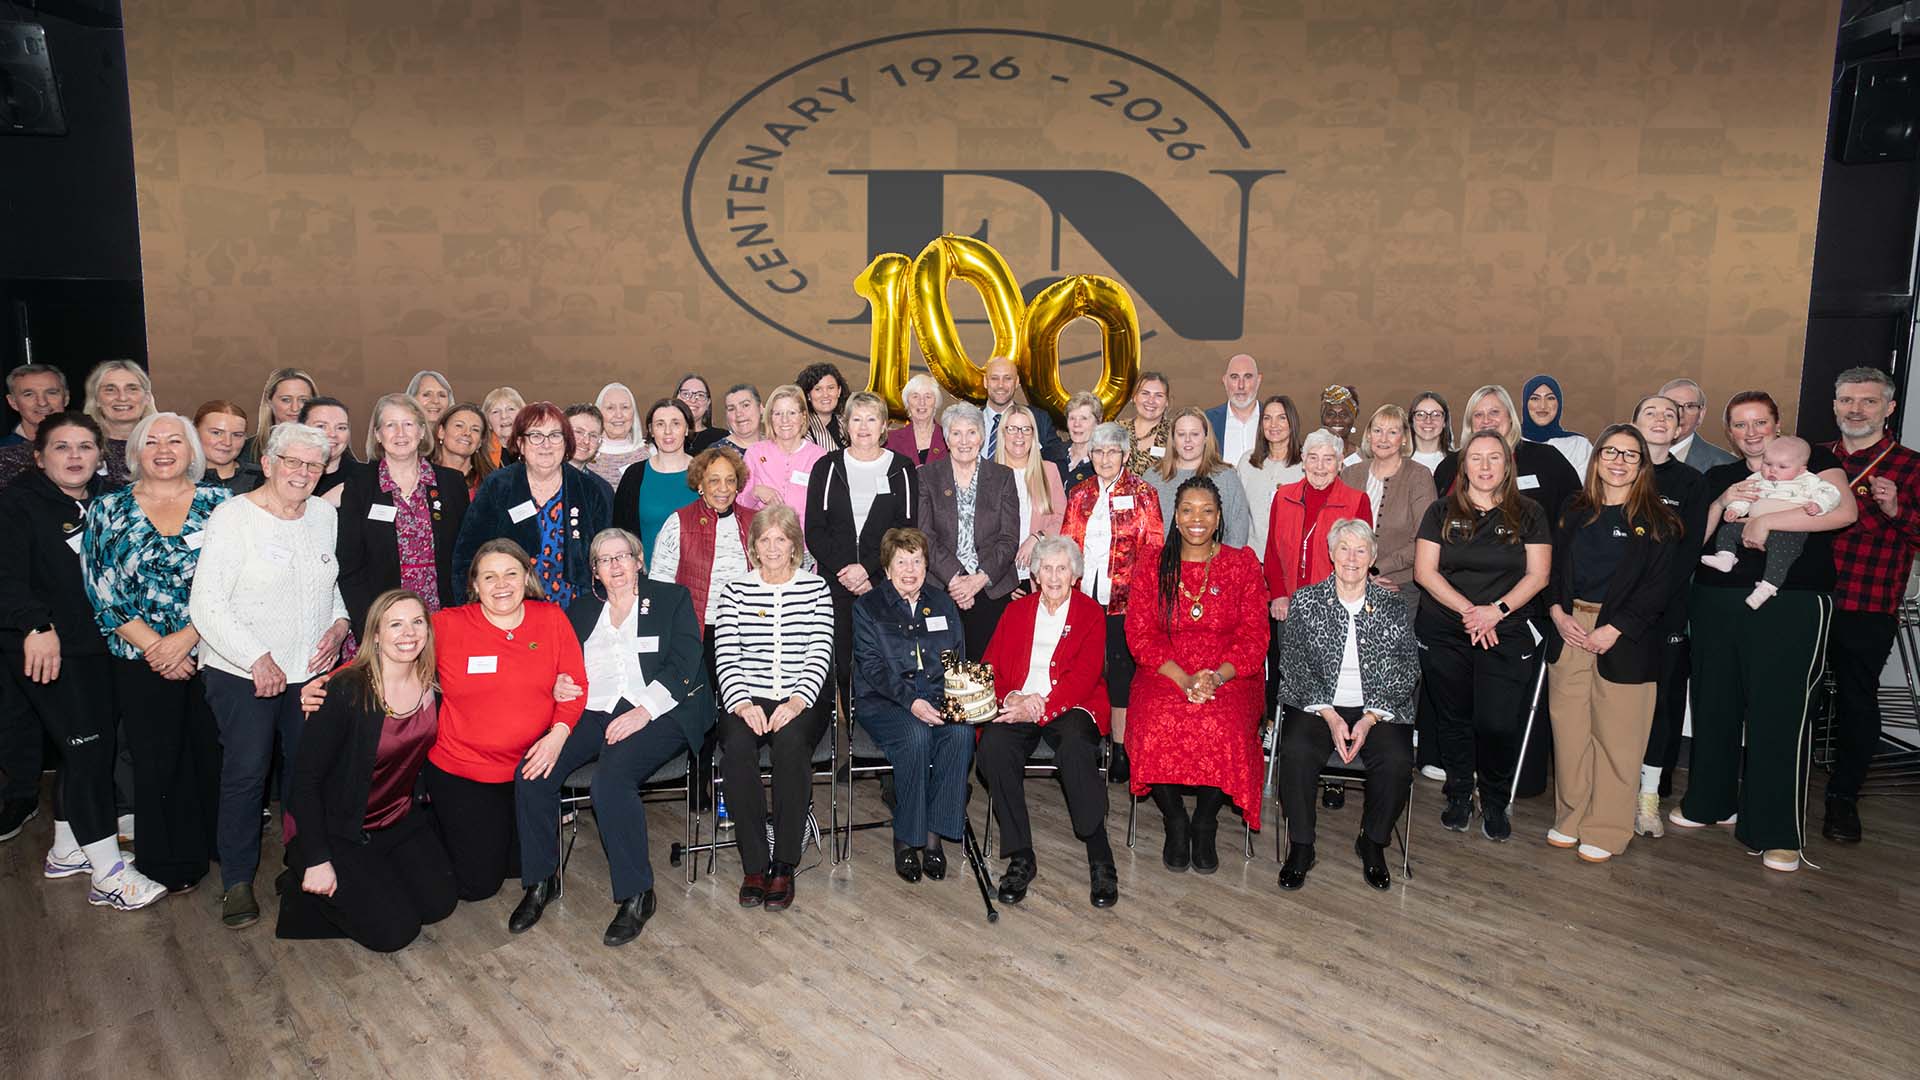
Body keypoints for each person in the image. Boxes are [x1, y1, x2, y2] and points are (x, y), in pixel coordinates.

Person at [1672, 391, 1856, 873]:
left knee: (1779, 716)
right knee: (1715, 706)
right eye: (1740, 425)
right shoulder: (1721, 476)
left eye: (1760, 423)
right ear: (1729, 433)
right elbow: (1696, 537)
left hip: (1790, 604)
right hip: (1716, 602)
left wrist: (1769, 518)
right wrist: (1723, 500)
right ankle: (1709, 804)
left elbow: (1843, 512)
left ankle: (1777, 832)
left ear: (1777, 425)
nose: (1751, 432)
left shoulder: (1813, 460)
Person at [0, 412, 166, 909]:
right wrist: (35, 624)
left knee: (87, 747)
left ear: (100, 455)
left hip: (97, 648)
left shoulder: (104, 502)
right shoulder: (17, 505)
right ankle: (108, 873)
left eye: (85, 447)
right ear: (39, 455)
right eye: (62, 447)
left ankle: (68, 849)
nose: (74, 457)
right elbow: (6, 577)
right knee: (88, 751)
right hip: (49, 649)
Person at [510, 529, 707, 946]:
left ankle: (638, 894)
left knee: (610, 780)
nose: (615, 566)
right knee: (533, 772)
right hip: (594, 709)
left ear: (639, 561)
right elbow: (559, 664)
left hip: (661, 709)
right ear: (595, 571)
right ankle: (541, 881)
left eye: (622, 557)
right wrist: (559, 683)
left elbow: (684, 662)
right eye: (604, 559)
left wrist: (642, 712)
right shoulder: (580, 611)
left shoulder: (671, 599)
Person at [190, 421, 351, 929]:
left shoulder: (324, 514)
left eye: (313, 465)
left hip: (308, 671)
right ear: (271, 462)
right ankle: (238, 880)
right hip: (243, 673)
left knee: (310, 771)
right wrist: (257, 658)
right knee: (248, 773)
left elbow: (329, 584)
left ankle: (305, 861)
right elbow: (206, 605)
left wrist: (341, 621)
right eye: (293, 462)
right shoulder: (234, 517)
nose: (303, 473)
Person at [84, 412, 228, 894]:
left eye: (175, 440)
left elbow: (237, 582)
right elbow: (102, 590)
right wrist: (157, 648)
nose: (164, 449)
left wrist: (186, 638)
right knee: (156, 758)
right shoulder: (107, 509)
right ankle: (169, 860)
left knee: (210, 753)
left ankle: (217, 843)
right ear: (135, 453)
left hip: (213, 652)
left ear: (193, 452)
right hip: (139, 658)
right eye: (152, 441)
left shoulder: (222, 505)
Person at [276, 589, 458, 952]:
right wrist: (317, 858)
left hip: (395, 819)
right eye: (395, 624)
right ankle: (302, 885)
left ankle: (370, 881)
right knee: (395, 933)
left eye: (417, 622)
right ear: (375, 634)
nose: (408, 633)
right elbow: (305, 782)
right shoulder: (346, 690)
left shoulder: (431, 682)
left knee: (439, 904)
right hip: (337, 828)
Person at [1544, 425, 1681, 864]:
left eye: (1630, 455)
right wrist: (1557, 614)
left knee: (1618, 741)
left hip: (1625, 638)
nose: (1618, 462)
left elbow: (1658, 591)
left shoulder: (1659, 522)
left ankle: (1607, 827)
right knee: (1569, 736)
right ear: (1597, 457)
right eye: (1610, 452)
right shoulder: (1572, 509)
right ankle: (1571, 817)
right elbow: (1552, 571)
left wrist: (1615, 628)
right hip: (1570, 631)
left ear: (1643, 465)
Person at [1414, 429, 1553, 842]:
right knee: (1452, 719)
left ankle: (1494, 798)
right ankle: (1458, 794)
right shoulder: (1440, 511)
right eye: (1476, 458)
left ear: (1507, 465)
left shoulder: (1529, 512)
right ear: (1464, 466)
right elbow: (1425, 572)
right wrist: (1471, 613)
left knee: (1497, 723)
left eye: (1495, 458)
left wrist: (1496, 612)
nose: (1485, 466)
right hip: (1447, 629)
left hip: (1505, 632)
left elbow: (1539, 575)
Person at [1125, 477, 1269, 873]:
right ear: (1175, 515)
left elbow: (1255, 637)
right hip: (1165, 670)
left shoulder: (1242, 564)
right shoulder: (1153, 562)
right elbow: (1139, 634)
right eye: (1187, 509)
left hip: (1230, 672)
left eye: (1207, 510)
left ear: (1220, 516)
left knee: (1224, 726)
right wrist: (1184, 679)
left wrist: (1215, 679)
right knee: (1155, 722)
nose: (1196, 519)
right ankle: (1175, 819)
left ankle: (1205, 821)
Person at [1274, 520, 1419, 892]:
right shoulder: (1306, 601)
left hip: (1378, 708)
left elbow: (1407, 668)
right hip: (1318, 705)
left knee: (1397, 761)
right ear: (1330, 554)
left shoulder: (1391, 605)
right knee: (1295, 750)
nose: (1351, 558)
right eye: (1344, 549)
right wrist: (1330, 713)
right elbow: (1292, 665)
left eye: (1360, 550)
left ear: (1372, 558)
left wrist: (1370, 718)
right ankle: (1302, 847)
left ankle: (1372, 842)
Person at [978, 535, 1119, 908]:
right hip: (1022, 703)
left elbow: (1085, 677)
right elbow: (990, 667)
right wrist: (1012, 699)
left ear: (1074, 574)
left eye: (1062, 568)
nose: (1054, 575)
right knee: (993, 746)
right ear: (1035, 574)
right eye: (1046, 568)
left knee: (1075, 745)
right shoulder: (1016, 612)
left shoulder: (1090, 613)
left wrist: (1041, 706)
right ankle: (1021, 854)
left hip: (1073, 705)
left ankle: (1099, 854)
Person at [713, 505, 834, 912]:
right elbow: (726, 653)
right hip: (747, 695)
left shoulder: (816, 590)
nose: (773, 547)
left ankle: (783, 861)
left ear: (794, 545)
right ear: (754, 546)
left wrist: (798, 700)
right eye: (764, 540)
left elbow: (820, 652)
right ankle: (754, 864)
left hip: (803, 696)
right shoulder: (735, 591)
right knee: (737, 751)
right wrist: (741, 702)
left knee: (789, 748)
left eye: (781, 539)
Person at [1823, 367, 1920, 844]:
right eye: (1846, 400)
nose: (1855, 409)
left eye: (1867, 401)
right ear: (1835, 404)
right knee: (1793, 695)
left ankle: (1843, 799)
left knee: (1856, 701)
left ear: (1889, 408)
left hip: (1868, 601)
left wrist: (1899, 511)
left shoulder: (1912, 466)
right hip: (1808, 599)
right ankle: (1781, 785)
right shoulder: (1814, 458)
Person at [850, 527, 970, 883]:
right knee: (916, 737)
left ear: (926, 565)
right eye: (901, 561)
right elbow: (871, 668)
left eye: (916, 561)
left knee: (961, 733)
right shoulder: (868, 607)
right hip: (884, 701)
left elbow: (957, 657)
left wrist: (954, 701)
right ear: (887, 569)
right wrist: (913, 702)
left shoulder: (942, 603)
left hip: (936, 696)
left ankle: (934, 836)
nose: (909, 568)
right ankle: (906, 838)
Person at [1061, 421, 1164, 783]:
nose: (1105, 458)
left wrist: (1147, 600)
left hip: (1126, 601)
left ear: (1124, 454)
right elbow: (1067, 544)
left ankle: (1121, 749)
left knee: (1121, 675)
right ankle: (1087, 743)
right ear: (1090, 455)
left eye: (1112, 451)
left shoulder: (1144, 493)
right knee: (1084, 670)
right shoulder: (1079, 493)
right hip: (1083, 598)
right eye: (1099, 451)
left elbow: (1154, 550)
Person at [805, 392, 919, 704]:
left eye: (871, 419)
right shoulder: (826, 467)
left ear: (884, 425)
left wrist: (868, 570)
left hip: (884, 582)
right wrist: (848, 571)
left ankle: (884, 724)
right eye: (856, 418)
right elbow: (814, 530)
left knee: (886, 659)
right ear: (845, 424)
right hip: (836, 581)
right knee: (844, 661)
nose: (864, 426)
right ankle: (852, 726)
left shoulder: (902, 469)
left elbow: (907, 532)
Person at [1628, 394, 1708, 835]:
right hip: (1612, 615)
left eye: (1669, 415)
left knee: (1661, 708)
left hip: (1665, 615)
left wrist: (1645, 606)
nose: (1660, 419)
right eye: (1650, 412)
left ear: (1680, 428)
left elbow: (1687, 553)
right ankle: (1613, 789)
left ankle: (1648, 797)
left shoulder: (1692, 483)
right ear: (1634, 423)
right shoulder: (1616, 471)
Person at [336, 394, 470, 638]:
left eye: (408, 424)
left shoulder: (451, 484)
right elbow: (349, 564)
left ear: (421, 432)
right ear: (377, 434)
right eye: (390, 425)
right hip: (382, 617)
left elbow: (464, 557)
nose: (400, 433)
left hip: (442, 616)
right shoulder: (361, 484)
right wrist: (369, 623)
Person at [454, 402, 612, 609]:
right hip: (508, 604)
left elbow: (604, 557)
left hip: (573, 607)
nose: (546, 445)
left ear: (566, 442)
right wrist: (468, 608)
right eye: (536, 436)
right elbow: (467, 554)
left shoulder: (590, 490)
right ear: (520, 443)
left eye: (555, 435)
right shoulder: (498, 486)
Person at [917, 403, 1020, 660]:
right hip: (942, 586)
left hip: (991, 587)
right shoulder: (927, 476)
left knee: (988, 668)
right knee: (942, 668)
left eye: (971, 432)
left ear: (983, 436)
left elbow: (1009, 539)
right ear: (946, 438)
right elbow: (924, 534)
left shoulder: (1002, 477)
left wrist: (977, 579)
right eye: (956, 433)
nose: (964, 441)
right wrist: (956, 579)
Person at [1697, 436, 1843, 608]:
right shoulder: (1758, 478)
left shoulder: (1808, 480)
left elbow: (1831, 493)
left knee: (1781, 556)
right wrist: (1735, 509)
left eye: (1782, 467)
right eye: (1767, 464)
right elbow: (1746, 495)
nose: (1772, 471)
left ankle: (1768, 586)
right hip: (1749, 525)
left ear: (1801, 469)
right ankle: (1726, 557)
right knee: (1727, 531)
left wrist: (1819, 505)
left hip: (1788, 530)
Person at [1266, 429, 1373, 622]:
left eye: (1328, 459)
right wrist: (1278, 594)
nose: (1320, 467)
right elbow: (1272, 552)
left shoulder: (1357, 501)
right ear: (1303, 461)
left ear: (1340, 463)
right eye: (1313, 458)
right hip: (1289, 605)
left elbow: (1359, 560)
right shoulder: (1283, 497)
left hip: (1337, 608)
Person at [1434, 385, 1581, 524]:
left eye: (1494, 412)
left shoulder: (1547, 459)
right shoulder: (1450, 466)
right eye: (1478, 414)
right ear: (1470, 423)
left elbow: (1576, 511)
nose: (1486, 420)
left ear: (1510, 417)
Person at [1340, 405, 1438, 606]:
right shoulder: (1350, 474)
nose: (1383, 439)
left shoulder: (1419, 476)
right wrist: (1359, 573)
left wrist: (1374, 571)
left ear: (1403, 438)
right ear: (1368, 435)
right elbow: (1338, 532)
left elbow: (1424, 540)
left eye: (1392, 432)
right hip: (1350, 585)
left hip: (1399, 587)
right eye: (1377, 431)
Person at [1147, 406, 1253, 550]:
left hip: (1215, 567)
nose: (1188, 440)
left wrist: (1224, 566)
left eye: (1195, 434)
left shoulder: (1226, 476)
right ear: (1173, 439)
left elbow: (1238, 531)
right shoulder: (1152, 477)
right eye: (1181, 434)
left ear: (1205, 438)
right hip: (1163, 566)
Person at [612, 398, 698, 558]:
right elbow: (619, 533)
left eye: (676, 423)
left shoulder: (706, 473)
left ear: (687, 429)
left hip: (698, 577)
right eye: (660, 424)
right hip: (648, 578)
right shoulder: (634, 476)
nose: (668, 431)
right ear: (651, 430)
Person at [996, 404, 1069, 591]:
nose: (1019, 435)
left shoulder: (1049, 470)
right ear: (1002, 434)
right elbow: (982, 535)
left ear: (1034, 435)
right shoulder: (989, 475)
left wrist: (1038, 537)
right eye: (1012, 429)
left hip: (1039, 578)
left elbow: (1063, 519)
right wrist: (1005, 582)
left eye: (1026, 429)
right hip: (999, 580)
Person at [739, 384, 827, 529]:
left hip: (806, 546)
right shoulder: (754, 453)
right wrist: (755, 492)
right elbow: (740, 505)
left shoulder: (819, 457)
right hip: (764, 543)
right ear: (770, 418)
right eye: (778, 414)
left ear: (803, 417)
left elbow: (827, 509)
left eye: (792, 413)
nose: (784, 420)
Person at [1237, 394, 1304, 564]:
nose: (1273, 425)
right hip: (1252, 559)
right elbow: (1238, 512)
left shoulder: (1306, 465)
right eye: (1267, 418)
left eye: (1281, 418)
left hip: (1290, 561)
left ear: (1292, 423)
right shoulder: (1247, 462)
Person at [83, 359, 154, 487]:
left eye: (132, 389)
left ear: (147, 398)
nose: (122, 397)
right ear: (97, 399)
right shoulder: (82, 446)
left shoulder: (167, 444)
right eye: (110, 390)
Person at [980, 356, 1059, 460]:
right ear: (985, 382)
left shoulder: (1039, 420)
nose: (1000, 385)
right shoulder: (968, 422)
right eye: (994, 378)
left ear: (1017, 382)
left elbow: (1057, 462)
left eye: (1007, 378)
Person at [1659, 377, 1738, 473]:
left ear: (1701, 415)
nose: (1680, 414)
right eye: (1672, 405)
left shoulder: (1726, 464)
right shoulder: (1638, 454)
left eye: (1690, 406)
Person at [1522, 374, 1594, 477]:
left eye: (1550, 398)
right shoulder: (1511, 441)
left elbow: (1588, 487)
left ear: (1559, 403)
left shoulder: (1578, 445)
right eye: (1535, 398)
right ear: (1525, 404)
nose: (1543, 406)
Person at [247, 367, 315, 466]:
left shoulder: (331, 447)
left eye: (303, 400)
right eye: (286, 400)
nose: (295, 408)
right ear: (269, 401)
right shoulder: (246, 451)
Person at [1205, 353, 1263, 465]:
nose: (1241, 386)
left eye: (1248, 377)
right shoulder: (1207, 421)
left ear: (1259, 380)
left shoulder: (1275, 421)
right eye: (1234, 377)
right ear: (1225, 381)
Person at [194, 400, 262, 494]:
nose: (227, 442)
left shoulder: (263, 478)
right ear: (194, 432)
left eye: (237, 435)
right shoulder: (180, 478)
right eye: (216, 433)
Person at [297, 396, 357, 503]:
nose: (332, 434)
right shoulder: (285, 474)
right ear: (301, 429)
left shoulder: (364, 478)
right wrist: (325, 502)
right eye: (321, 426)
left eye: (341, 428)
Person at [589, 382, 648, 486]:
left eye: (625, 407)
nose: (619, 415)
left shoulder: (650, 453)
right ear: (598, 413)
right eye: (610, 408)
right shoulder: (586, 452)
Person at [884, 373, 948, 466]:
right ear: (907, 403)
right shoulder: (890, 441)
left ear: (936, 402)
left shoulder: (949, 438)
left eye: (928, 396)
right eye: (915, 396)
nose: (922, 402)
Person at [3, 363, 69, 446]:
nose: (42, 403)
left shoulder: (87, 447)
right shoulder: (3, 452)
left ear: (66, 398)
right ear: (13, 402)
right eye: (29, 394)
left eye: (51, 393)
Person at [433, 402, 491, 498]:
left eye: (475, 429)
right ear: (441, 432)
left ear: (480, 442)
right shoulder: (422, 474)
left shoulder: (492, 482)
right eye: (459, 425)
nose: (467, 433)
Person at [564, 403, 617, 505]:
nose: (586, 441)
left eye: (593, 435)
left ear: (599, 443)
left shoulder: (603, 490)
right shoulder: (539, 479)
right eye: (579, 432)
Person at [1124, 372, 1173, 475]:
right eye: (1145, 393)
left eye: (1158, 395)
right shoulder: (1116, 430)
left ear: (1167, 401)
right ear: (1134, 397)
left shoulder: (1176, 433)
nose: (1151, 401)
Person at [796, 361, 849, 450]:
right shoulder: (799, 428)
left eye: (831, 388)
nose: (825, 394)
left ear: (839, 391)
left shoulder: (849, 423)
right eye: (818, 389)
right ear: (808, 395)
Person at [1058, 390, 1102, 491]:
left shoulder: (1103, 465)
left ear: (1098, 422)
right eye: (1072, 418)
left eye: (1084, 419)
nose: (1077, 424)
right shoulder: (1052, 455)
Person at [677, 373, 729, 454]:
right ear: (676, 398)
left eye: (700, 395)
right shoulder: (664, 436)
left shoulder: (722, 439)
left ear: (708, 403)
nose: (693, 400)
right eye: (686, 394)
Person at [479, 386, 526, 471]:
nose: (504, 416)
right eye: (495, 412)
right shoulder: (480, 455)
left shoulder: (536, 447)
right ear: (488, 423)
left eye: (511, 409)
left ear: (522, 415)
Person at [1408, 392, 1455, 474]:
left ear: (1445, 422)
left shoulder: (1456, 462)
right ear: (1412, 421)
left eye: (1436, 415)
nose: (1428, 420)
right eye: (1420, 414)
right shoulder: (1397, 461)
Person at [718, 383, 763, 455]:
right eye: (731, 409)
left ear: (760, 408)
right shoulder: (718, 454)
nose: (738, 414)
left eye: (745, 405)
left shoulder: (776, 446)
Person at [1319, 385, 1361, 459]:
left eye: (1344, 415)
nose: (1337, 420)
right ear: (1322, 417)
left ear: (1353, 417)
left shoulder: (1362, 458)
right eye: (1331, 414)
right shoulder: (1309, 454)